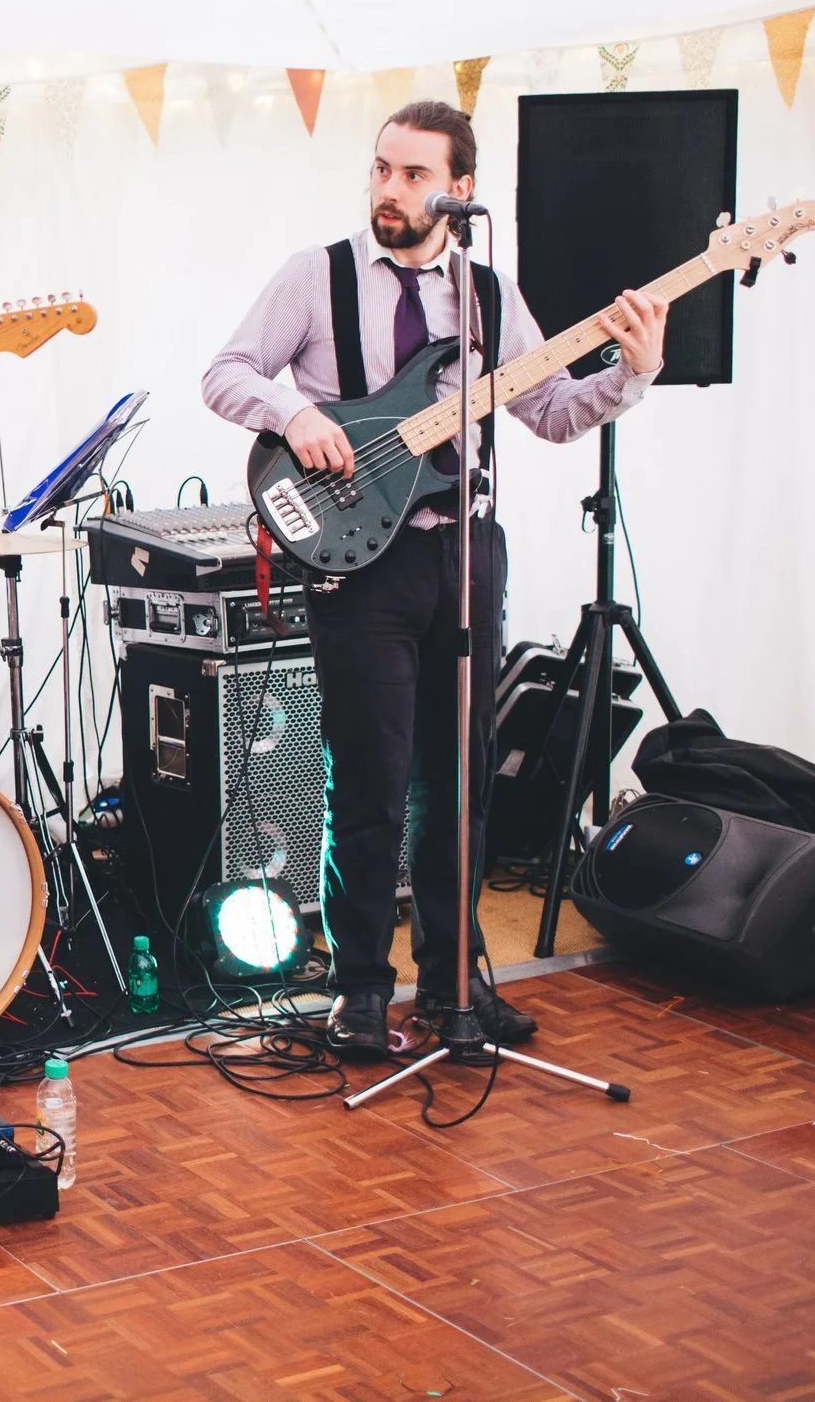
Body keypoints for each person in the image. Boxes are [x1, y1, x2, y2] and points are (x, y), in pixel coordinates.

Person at [200, 99, 667, 1057]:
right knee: (367, 782)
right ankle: (361, 989)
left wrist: (632, 373)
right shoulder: (317, 275)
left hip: (463, 554)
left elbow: (549, 409)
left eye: (413, 175)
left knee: (460, 784)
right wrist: (294, 416)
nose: (389, 189)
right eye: (381, 169)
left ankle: (454, 986)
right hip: (359, 563)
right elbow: (226, 372)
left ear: (461, 191)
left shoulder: (490, 294)